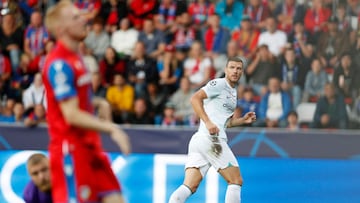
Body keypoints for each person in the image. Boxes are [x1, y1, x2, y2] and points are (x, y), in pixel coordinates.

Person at [43, 1, 131, 203]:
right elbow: (71, 114)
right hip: (71, 151)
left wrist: (99, 104)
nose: (83, 19)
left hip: (91, 147)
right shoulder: (59, 63)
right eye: (75, 17)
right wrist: (110, 128)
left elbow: (77, 102)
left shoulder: (77, 57)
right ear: (61, 29)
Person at [169, 56, 256, 203]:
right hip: (212, 140)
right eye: (232, 67)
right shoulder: (219, 84)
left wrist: (242, 120)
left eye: (239, 68)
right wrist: (208, 122)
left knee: (190, 186)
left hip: (200, 141)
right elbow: (195, 98)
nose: (235, 71)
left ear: (242, 72)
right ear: (225, 70)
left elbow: (224, 123)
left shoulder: (233, 92)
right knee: (235, 180)